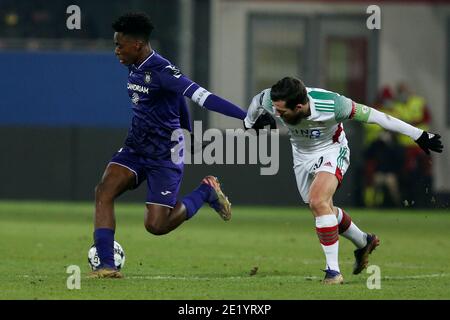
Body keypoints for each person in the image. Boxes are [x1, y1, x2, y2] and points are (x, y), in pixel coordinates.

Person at [91, 12, 247, 278]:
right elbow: (174, 101)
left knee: (156, 226)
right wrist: (187, 126)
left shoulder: (163, 71)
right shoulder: (133, 65)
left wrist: (246, 117)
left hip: (165, 154)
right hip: (135, 147)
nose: (116, 50)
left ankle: (206, 192)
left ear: (137, 45)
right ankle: (107, 265)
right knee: (104, 190)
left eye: (120, 45)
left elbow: (202, 97)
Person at [244, 77, 443, 284]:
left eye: (282, 113)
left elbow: (377, 117)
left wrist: (418, 134)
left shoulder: (333, 105)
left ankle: (333, 272)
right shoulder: (272, 100)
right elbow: (257, 101)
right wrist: (249, 121)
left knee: (318, 201)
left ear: (300, 106)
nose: (277, 115)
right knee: (323, 208)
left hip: (332, 149)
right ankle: (364, 241)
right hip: (301, 156)